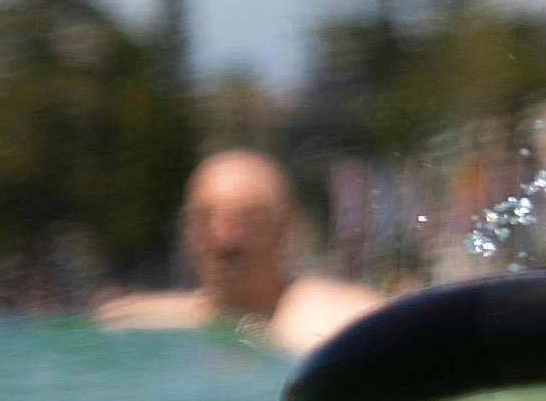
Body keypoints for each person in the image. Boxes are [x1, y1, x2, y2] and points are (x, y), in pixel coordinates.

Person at [96, 150, 389, 357]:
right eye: (204, 218)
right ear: (186, 229)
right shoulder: (148, 322)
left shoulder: (346, 322)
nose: (222, 237)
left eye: (246, 218)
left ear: (284, 228)